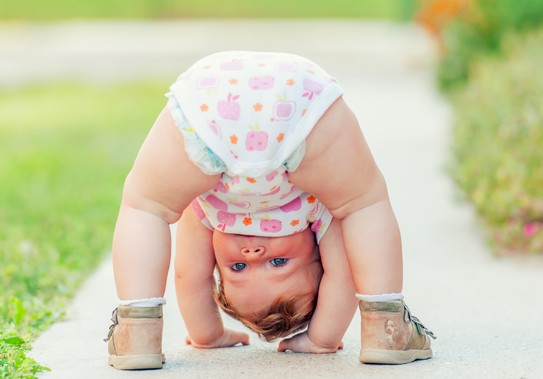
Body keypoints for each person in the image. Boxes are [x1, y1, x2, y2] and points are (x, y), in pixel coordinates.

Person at [104, 51, 435, 370]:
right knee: (363, 202)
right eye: (277, 262)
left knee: (145, 205)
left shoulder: (207, 213)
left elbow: (191, 275)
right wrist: (322, 338)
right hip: (295, 106)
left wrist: (208, 334)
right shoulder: (315, 213)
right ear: (318, 253)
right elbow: (347, 271)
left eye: (236, 266)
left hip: (212, 104)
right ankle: (386, 326)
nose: (252, 250)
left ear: (215, 261)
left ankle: (138, 333)